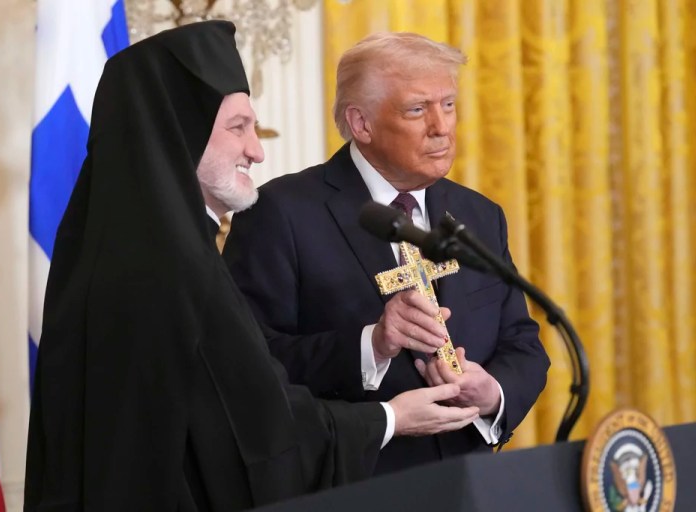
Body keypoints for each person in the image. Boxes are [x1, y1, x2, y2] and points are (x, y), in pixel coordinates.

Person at [24, 22, 481, 511]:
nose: (257, 150)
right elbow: (258, 432)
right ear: (181, 133)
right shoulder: (174, 272)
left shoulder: (118, 252)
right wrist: (390, 418)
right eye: (238, 128)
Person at [223, 31, 551, 476]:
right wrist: (371, 345)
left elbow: (521, 341)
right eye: (418, 109)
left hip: (470, 480)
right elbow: (249, 367)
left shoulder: (478, 214)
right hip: (352, 485)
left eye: (448, 104)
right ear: (362, 124)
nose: (442, 126)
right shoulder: (280, 214)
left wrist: (493, 392)